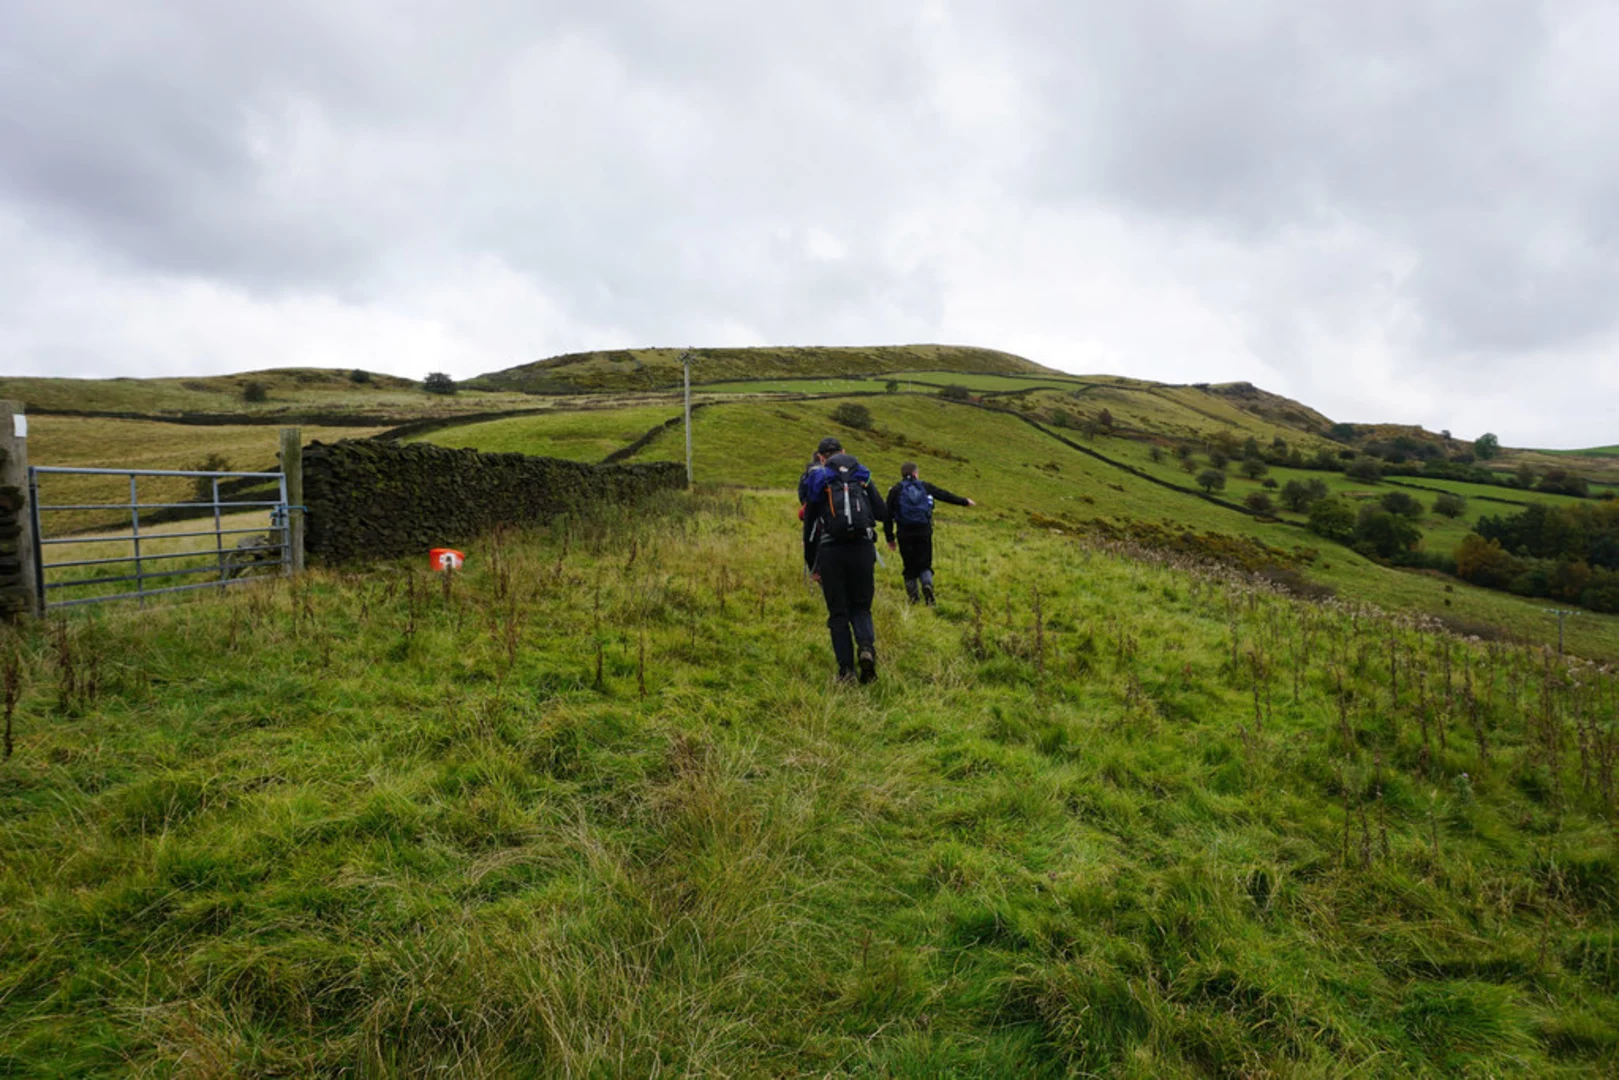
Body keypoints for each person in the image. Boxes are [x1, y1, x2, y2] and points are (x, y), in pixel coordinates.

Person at [804, 447, 888, 683]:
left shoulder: (820, 479)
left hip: (831, 552)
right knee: (861, 607)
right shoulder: (861, 478)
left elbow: (809, 527)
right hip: (862, 549)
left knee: (838, 613)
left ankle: (846, 672)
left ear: (822, 458)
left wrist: (813, 565)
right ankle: (866, 648)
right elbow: (881, 512)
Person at [883, 462, 974, 606]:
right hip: (923, 531)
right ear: (915, 473)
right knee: (925, 564)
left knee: (909, 566)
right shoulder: (925, 486)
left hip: (904, 532)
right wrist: (964, 501)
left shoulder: (895, 490)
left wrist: (890, 538)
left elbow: (887, 515)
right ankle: (927, 586)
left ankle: (914, 599)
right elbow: (943, 495)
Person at [797, 436, 841, 573]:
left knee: (815, 542)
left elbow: (803, 495)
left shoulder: (808, 475)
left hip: (816, 518)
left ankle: (817, 570)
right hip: (838, 520)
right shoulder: (841, 473)